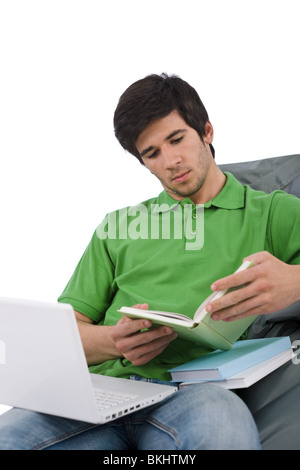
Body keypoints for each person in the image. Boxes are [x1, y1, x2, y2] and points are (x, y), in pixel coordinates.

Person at [1, 73, 300, 450]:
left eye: (177, 139)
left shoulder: (272, 212)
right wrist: (113, 342)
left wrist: (295, 281)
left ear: (206, 131)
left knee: (223, 435)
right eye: (152, 153)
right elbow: (65, 336)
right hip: (101, 394)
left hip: (194, 392)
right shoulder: (120, 225)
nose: (171, 161)